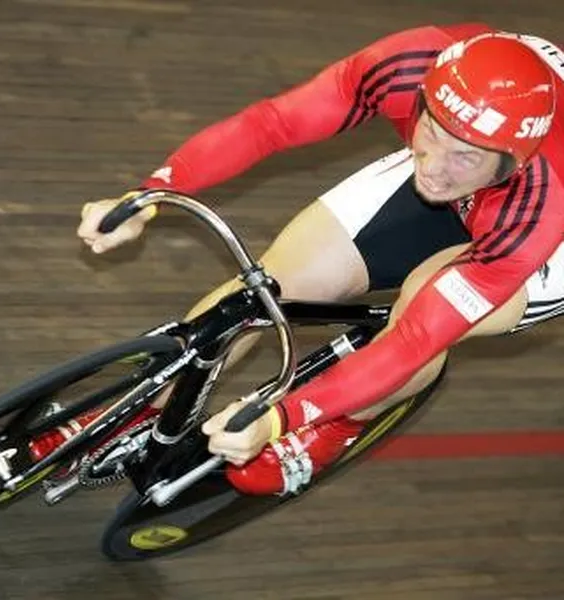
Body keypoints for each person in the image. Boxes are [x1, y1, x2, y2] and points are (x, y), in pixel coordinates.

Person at [42, 23, 564, 496]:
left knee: (421, 309)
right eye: (429, 131)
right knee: (270, 287)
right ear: (426, 99)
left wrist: (283, 417)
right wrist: (149, 195)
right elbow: (271, 124)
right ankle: (128, 410)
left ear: (511, 162)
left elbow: (414, 340)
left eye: (464, 157)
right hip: (488, 171)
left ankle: (340, 423)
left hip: (543, 241)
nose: (434, 168)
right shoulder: (409, 65)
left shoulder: (539, 207)